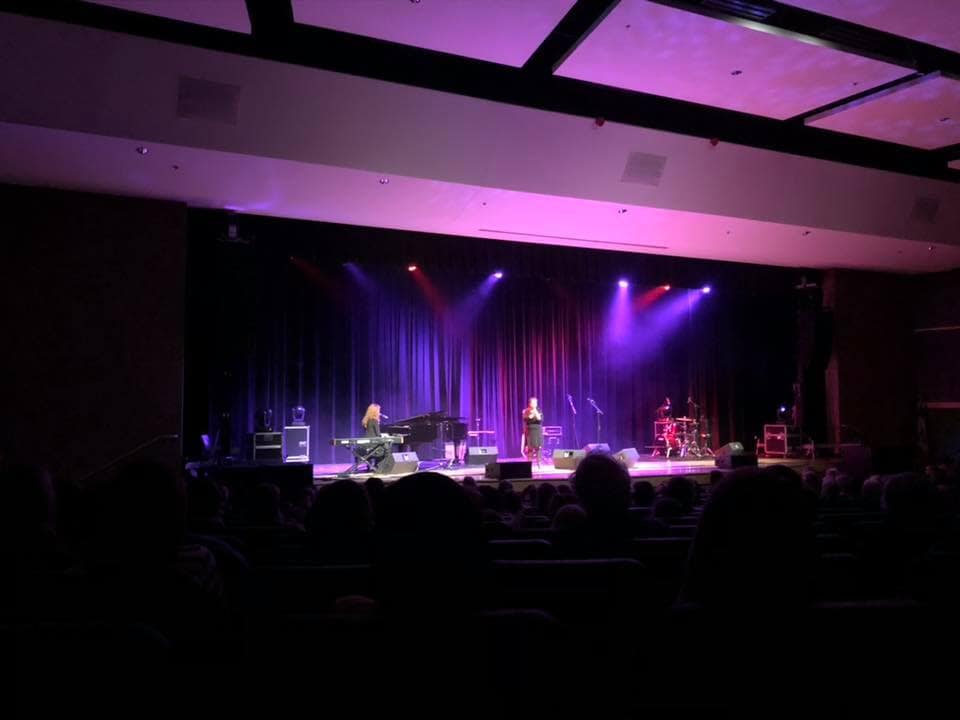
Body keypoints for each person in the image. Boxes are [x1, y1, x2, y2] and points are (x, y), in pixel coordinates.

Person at [360, 403, 388, 471]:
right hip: (373, 443)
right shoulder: (375, 421)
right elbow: (378, 434)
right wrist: (385, 436)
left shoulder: (366, 420)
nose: (379, 412)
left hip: (366, 443)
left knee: (381, 447)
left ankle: (370, 466)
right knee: (386, 448)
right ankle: (377, 466)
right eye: (378, 410)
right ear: (375, 411)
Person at [522, 397, 544, 466]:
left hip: (538, 430)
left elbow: (540, 420)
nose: (535, 404)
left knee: (538, 447)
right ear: (530, 403)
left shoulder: (539, 410)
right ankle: (529, 463)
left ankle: (539, 463)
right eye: (533, 403)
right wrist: (531, 415)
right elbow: (525, 419)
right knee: (530, 448)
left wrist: (536, 413)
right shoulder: (526, 410)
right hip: (530, 430)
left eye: (536, 403)